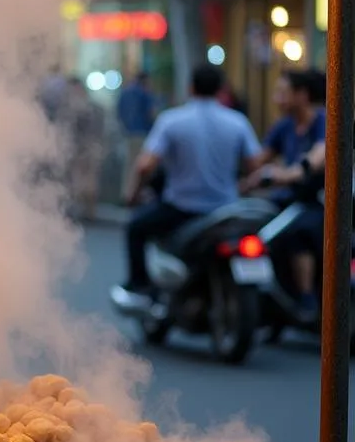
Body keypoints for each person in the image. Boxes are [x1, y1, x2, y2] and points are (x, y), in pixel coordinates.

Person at [121, 63, 262, 296]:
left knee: (135, 228)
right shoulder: (238, 122)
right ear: (221, 90)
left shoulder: (172, 120)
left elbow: (145, 166)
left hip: (181, 209)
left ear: (191, 87)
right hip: (225, 209)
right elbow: (256, 167)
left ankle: (140, 287)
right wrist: (243, 186)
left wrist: (132, 195)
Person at [242, 69, 327, 319]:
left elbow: (318, 157)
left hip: (319, 202)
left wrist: (289, 173)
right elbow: (257, 161)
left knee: (296, 232)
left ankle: (307, 297)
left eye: (282, 93)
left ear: (302, 95)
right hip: (289, 201)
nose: (277, 99)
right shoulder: (284, 126)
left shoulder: (323, 120)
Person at [62, 78, 106, 222]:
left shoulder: (79, 108)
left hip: (86, 148)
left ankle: (87, 211)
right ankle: (87, 211)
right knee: (83, 181)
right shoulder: (94, 107)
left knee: (85, 181)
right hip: (86, 148)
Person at [117, 71, 156, 201]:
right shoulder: (144, 93)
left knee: (128, 164)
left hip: (128, 133)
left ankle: (125, 193)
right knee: (140, 165)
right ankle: (133, 195)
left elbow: (119, 112)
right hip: (141, 132)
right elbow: (151, 113)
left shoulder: (125, 92)